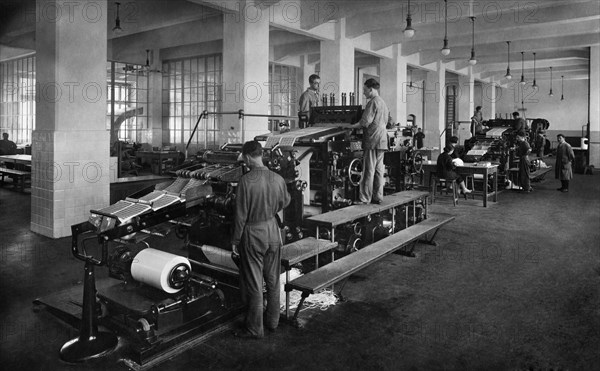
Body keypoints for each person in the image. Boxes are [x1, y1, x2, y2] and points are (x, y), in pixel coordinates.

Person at [231, 141, 291, 339]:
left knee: (255, 284)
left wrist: (235, 241)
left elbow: (240, 216)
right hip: (273, 231)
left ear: (247, 157)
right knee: (273, 280)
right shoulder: (278, 178)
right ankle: (273, 321)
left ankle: (255, 329)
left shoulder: (246, 181)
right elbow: (286, 201)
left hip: (253, 233)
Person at [348, 78, 389, 205]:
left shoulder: (372, 103)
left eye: (365, 90)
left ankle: (364, 198)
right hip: (382, 140)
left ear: (371, 90)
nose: (364, 93)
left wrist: (349, 126)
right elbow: (386, 122)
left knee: (368, 170)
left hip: (372, 140)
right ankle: (377, 197)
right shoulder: (383, 102)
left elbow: (365, 122)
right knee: (378, 170)